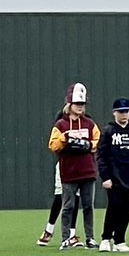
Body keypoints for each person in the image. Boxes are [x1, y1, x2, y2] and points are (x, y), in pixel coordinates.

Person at [48, 82, 100, 250]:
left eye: (82, 104)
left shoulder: (90, 124)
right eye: (77, 104)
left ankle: (90, 238)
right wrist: (66, 139)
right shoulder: (60, 125)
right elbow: (53, 145)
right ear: (69, 104)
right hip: (69, 172)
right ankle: (65, 239)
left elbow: (97, 141)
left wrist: (86, 144)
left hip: (87, 171)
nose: (80, 107)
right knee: (68, 206)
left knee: (88, 207)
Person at [97, 97, 129, 253]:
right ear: (114, 113)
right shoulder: (108, 131)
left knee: (126, 210)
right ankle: (106, 238)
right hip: (114, 179)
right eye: (121, 112)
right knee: (114, 207)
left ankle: (120, 240)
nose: (124, 115)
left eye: (126, 111)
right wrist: (105, 177)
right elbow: (101, 156)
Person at [37, 103, 81, 247]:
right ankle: (48, 231)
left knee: (76, 198)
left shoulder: (85, 121)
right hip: (64, 164)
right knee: (60, 197)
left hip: (81, 165)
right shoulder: (61, 120)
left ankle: (72, 235)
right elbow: (55, 144)